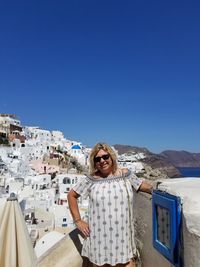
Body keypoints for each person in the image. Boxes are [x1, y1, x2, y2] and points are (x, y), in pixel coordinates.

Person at [67, 142, 153, 267]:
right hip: (99, 239)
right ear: (94, 162)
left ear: (111, 157)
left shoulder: (125, 174)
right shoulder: (91, 179)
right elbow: (71, 195)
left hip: (123, 238)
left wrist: (155, 190)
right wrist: (78, 220)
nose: (102, 161)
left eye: (105, 157)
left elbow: (140, 185)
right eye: (97, 159)